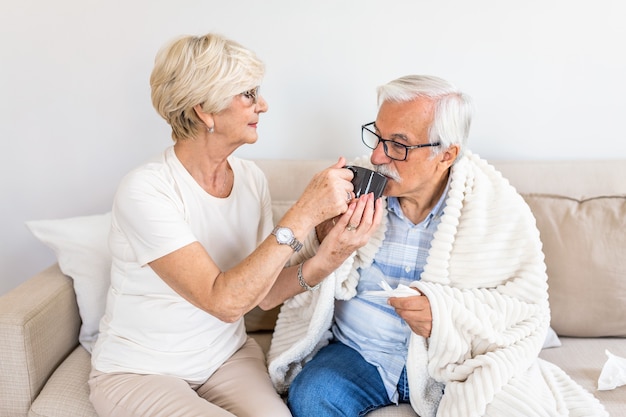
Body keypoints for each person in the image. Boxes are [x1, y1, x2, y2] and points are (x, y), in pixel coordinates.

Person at [266, 75, 608, 417]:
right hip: (360, 351)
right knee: (311, 396)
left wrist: (445, 318)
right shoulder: (352, 187)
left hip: (447, 362)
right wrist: (325, 237)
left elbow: (525, 311)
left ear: (447, 155)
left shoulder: (497, 208)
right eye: (377, 136)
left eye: (398, 145)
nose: (376, 156)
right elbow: (294, 275)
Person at [88, 32, 382, 417]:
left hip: (226, 359)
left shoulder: (250, 178)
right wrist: (304, 212)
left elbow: (263, 293)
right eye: (248, 94)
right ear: (204, 111)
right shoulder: (146, 189)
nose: (263, 105)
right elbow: (223, 302)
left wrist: (331, 254)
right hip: (140, 371)